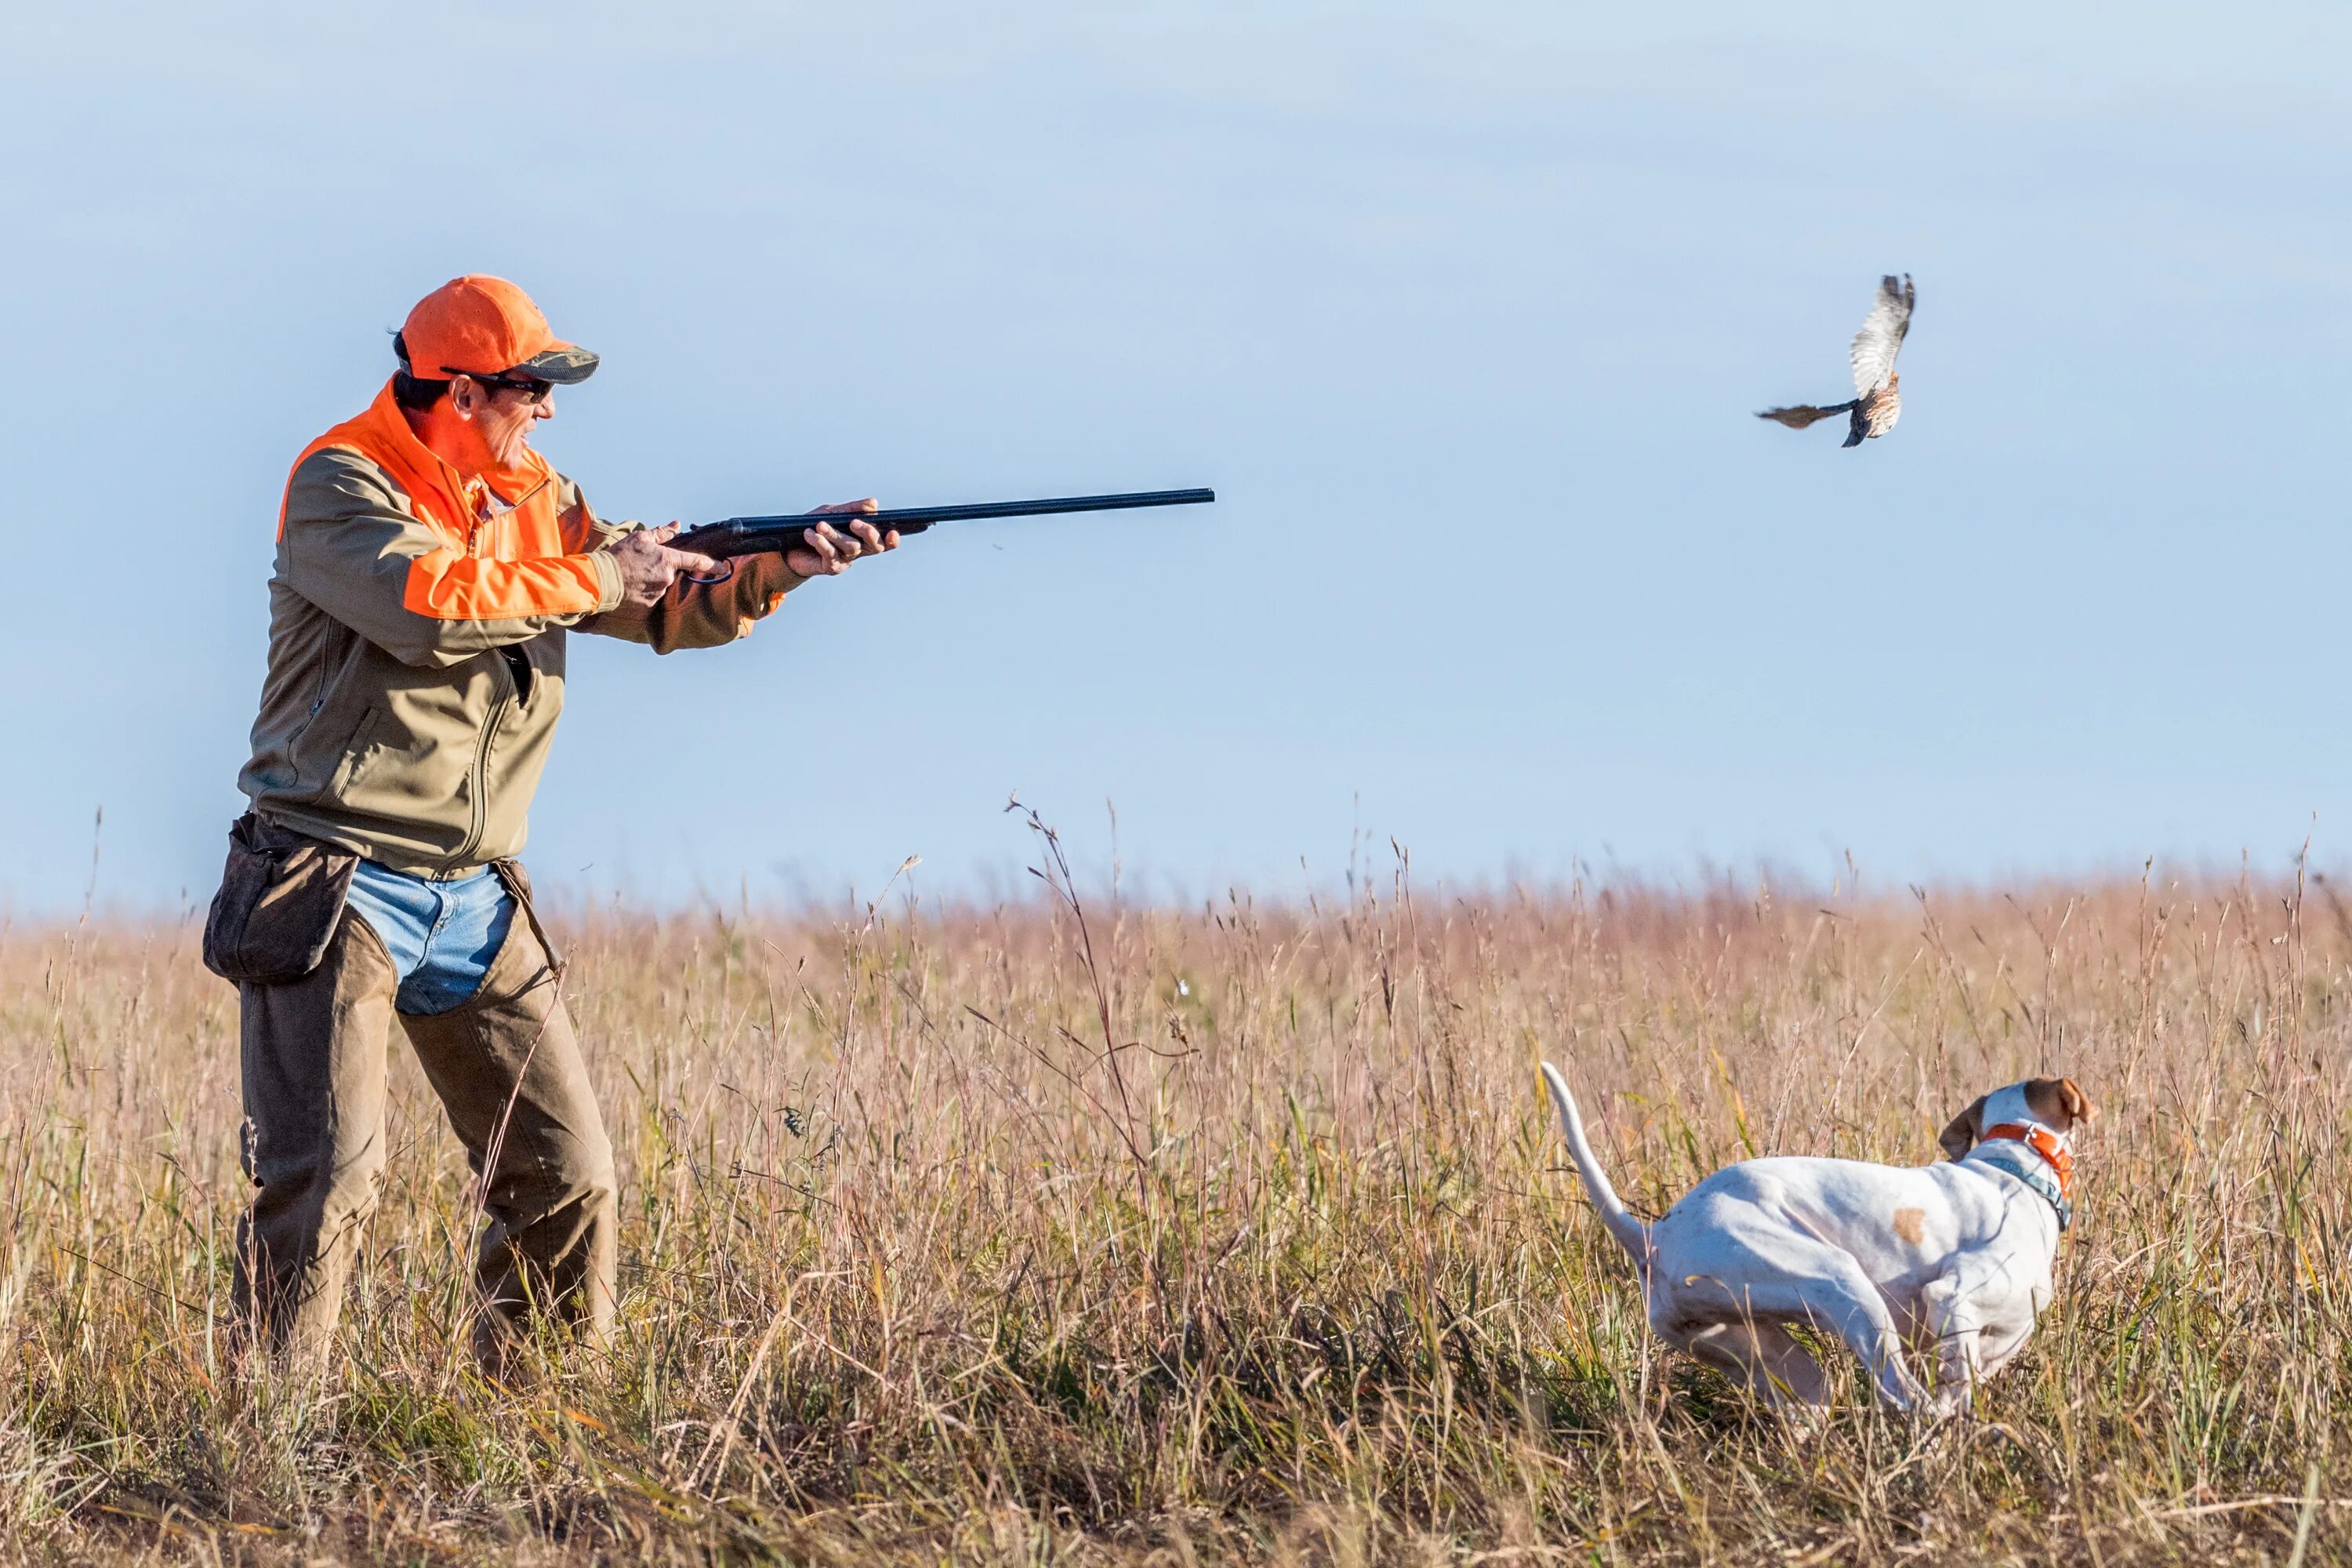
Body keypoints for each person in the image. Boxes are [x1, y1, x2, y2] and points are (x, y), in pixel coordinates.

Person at [204, 274, 894, 1373]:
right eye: (535, 388)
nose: (552, 410)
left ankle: (544, 1426)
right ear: (465, 391)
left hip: (479, 892)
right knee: (325, 1177)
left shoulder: (540, 494)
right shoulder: (342, 483)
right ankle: (261, 1443)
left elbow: (659, 604)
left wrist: (782, 569)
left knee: (568, 1175)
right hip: (335, 881)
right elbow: (430, 607)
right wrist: (594, 570)